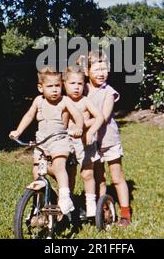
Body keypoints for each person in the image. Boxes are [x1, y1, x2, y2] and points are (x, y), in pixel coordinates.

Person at [9, 67, 84, 215]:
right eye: (50, 86)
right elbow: (29, 116)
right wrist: (18, 131)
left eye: (57, 86)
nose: (55, 90)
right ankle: (42, 199)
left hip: (60, 140)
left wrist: (78, 128)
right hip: (42, 143)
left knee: (58, 167)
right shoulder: (38, 101)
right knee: (36, 170)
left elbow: (78, 116)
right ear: (40, 88)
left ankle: (64, 198)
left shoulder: (65, 101)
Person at [82, 50, 132, 227]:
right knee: (99, 177)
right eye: (96, 69)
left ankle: (125, 212)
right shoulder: (84, 90)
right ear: (87, 72)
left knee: (116, 177)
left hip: (109, 140)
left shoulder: (109, 92)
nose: (101, 73)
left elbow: (102, 116)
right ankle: (103, 211)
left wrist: (81, 123)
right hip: (92, 142)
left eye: (104, 69)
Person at [63, 66, 104, 218]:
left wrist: (91, 131)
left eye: (80, 84)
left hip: (85, 142)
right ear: (64, 84)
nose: (76, 87)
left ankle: (91, 204)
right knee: (69, 174)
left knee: (87, 173)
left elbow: (100, 117)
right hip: (68, 143)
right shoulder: (63, 101)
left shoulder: (85, 101)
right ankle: (70, 204)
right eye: (72, 83)